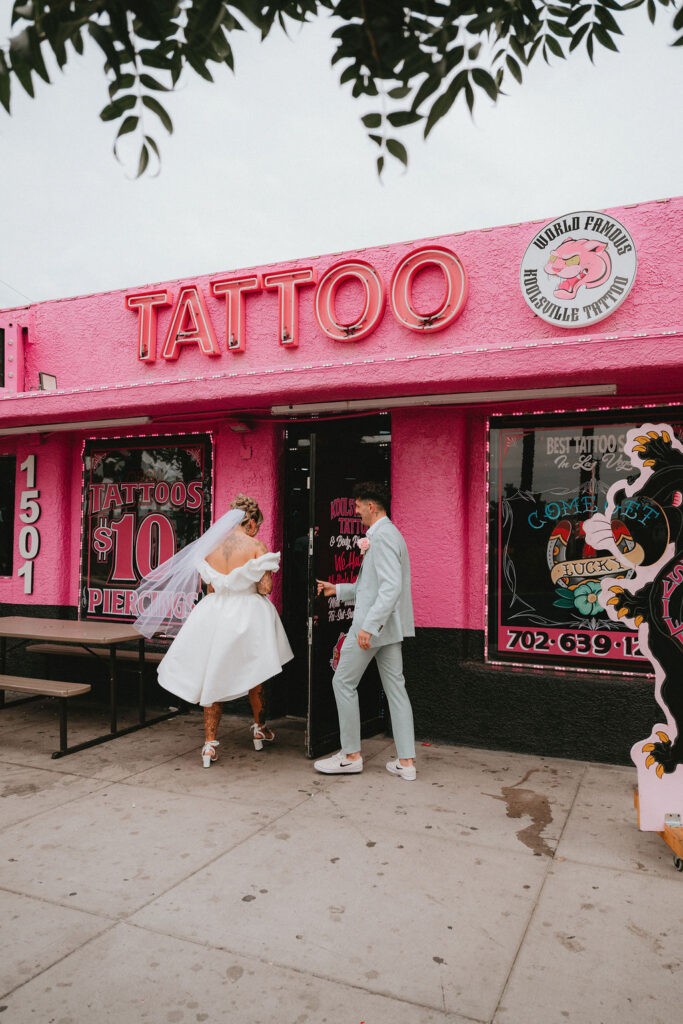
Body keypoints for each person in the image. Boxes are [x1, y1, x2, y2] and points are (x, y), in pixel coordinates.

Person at [133, 494, 293, 768]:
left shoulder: (211, 547)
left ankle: (209, 745)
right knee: (255, 673)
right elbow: (265, 588)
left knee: (213, 674)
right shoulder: (257, 546)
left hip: (213, 612)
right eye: (257, 526)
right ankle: (259, 729)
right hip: (248, 615)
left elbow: (209, 588)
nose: (256, 531)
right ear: (251, 523)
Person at [315, 482, 417, 780]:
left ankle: (351, 756)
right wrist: (338, 589)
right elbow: (371, 585)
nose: (357, 512)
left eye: (358, 507)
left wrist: (369, 627)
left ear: (371, 506)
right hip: (390, 629)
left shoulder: (381, 537)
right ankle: (406, 762)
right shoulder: (390, 534)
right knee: (396, 690)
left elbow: (390, 587)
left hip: (371, 628)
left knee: (343, 682)